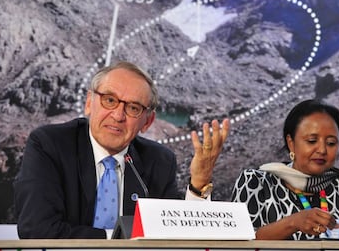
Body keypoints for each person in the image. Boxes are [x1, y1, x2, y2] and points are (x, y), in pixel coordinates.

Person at [14, 61, 230, 239]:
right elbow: (37, 230)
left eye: (133, 108)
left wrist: (199, 183)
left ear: (147, 121)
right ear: (89, 103)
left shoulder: (159, 160)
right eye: (109, 100)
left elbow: (176, 236)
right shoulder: (50, 144)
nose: (118, 115)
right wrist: (119, 239)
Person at [231, 99, 339, 240]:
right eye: (312, 141)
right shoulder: (257, 183)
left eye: (331, 143)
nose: (322, 150)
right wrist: (292, 223)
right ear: (291, 143)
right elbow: (238, 242)